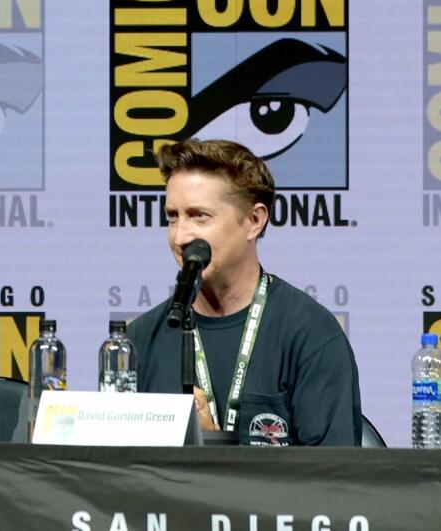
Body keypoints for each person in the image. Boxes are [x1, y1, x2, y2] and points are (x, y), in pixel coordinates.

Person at [128, 139, 362, 446]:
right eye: (172, 217)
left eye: (200, 216)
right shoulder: (140, 340)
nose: (181, 236)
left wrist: (208, 445)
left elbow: (333, 481)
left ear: (254, 221)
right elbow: (118, 479)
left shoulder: (311, 335)